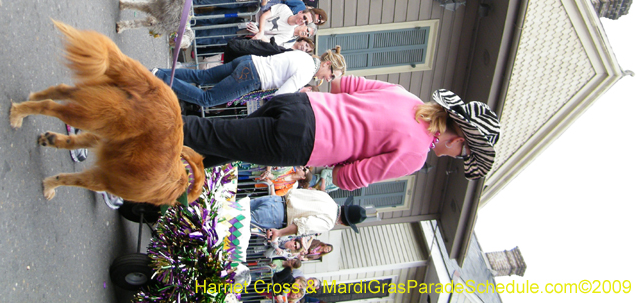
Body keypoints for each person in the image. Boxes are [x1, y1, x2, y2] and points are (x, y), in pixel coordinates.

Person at [183, 84, 502, 190]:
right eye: (462, 156)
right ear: (459, 141)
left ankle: (156, 185)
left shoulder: (408, 97)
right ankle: (138, 117)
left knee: (221, 145)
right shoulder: (416, 155)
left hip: (301, 104)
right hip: (302, 142)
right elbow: (347, 177)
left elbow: (344, 83)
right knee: (211, 135)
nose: (454, 158)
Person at [152, 47, 345, 107]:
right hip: (252, 76)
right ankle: (160, 76)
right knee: (207, 99)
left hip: (249, 62)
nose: (328, 79)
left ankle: (157, 73)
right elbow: (280, 97)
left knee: (201, 76)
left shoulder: (306, 58)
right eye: (331, 75)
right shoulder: (306, 72)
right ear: (327, 64)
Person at [250, 190, 366, 237]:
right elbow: (303, 225)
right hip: (277, 216)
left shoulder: (327, 197)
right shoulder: (329, 223)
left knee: (235, 207)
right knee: (234, 221)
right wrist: (279, 233)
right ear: (344, 223)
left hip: (276, 200)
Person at [223, 35, 315, 62]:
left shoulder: (292, 55)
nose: (304, 48)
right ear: (303, 40)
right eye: (306, 45)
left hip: (252, 57)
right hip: (252, 44)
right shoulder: (290, 37)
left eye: (307, 50)